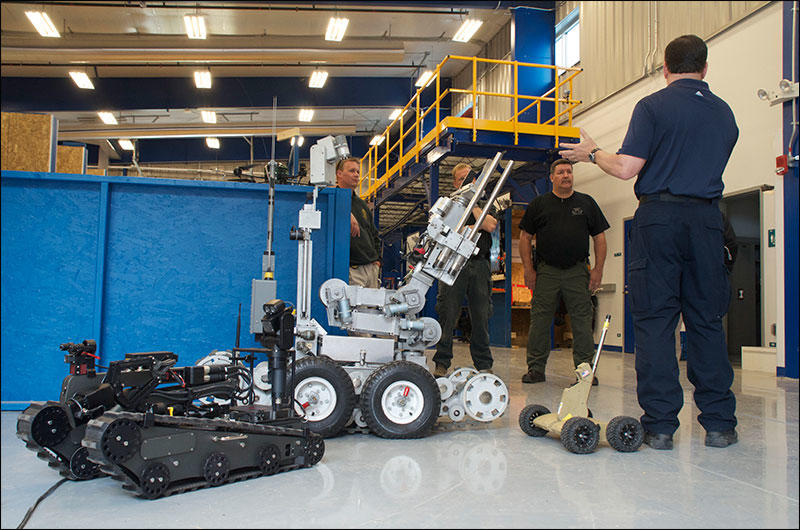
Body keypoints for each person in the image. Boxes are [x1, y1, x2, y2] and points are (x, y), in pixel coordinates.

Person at [558, 34, 739, 450]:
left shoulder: (653, 107)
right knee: (706, 321)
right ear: (705, 68)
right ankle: (719, 425)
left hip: (660, 220)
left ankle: (659, 427)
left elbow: (625, 168)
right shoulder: (724, 114)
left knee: (656, 322)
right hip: (708, 221)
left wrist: (591, 153)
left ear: (665, 68)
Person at [518, 159, 609, 385]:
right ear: (552, 177)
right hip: (546, 271)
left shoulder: (587, 203)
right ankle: (536, 369)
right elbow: (525, 238)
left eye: (569, 172)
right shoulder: (539, 204)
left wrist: (598, 269)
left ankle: (584, 373)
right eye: (560, 172)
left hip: (578, 271)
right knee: (540, 320)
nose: (566, 175)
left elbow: (599, 237)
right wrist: (529, 269)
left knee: (581, 320)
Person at [433, 163, 496, 377]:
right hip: (452, 263)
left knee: (481, 315)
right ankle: (441, 363)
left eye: (470, 179)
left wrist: (473, 203)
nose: (466, 183)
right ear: (454, 183)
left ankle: (483, 364)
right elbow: (443, 229)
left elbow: (490, 225)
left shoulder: (486, 203)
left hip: (479, 265)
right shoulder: (448, 204)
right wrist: (472, 224)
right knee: (447, 314)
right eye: (461, 179)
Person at [336, 157, 381, 288]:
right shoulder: (332, 200)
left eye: (357, 172)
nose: (356, 175)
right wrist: (346, 211)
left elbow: (373, 233)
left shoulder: (361, 204)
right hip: (353, 270)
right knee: (356, 308)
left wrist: (377, 260)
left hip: (371, 267)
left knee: (373, 308)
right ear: (339, 174)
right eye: (351, 171)